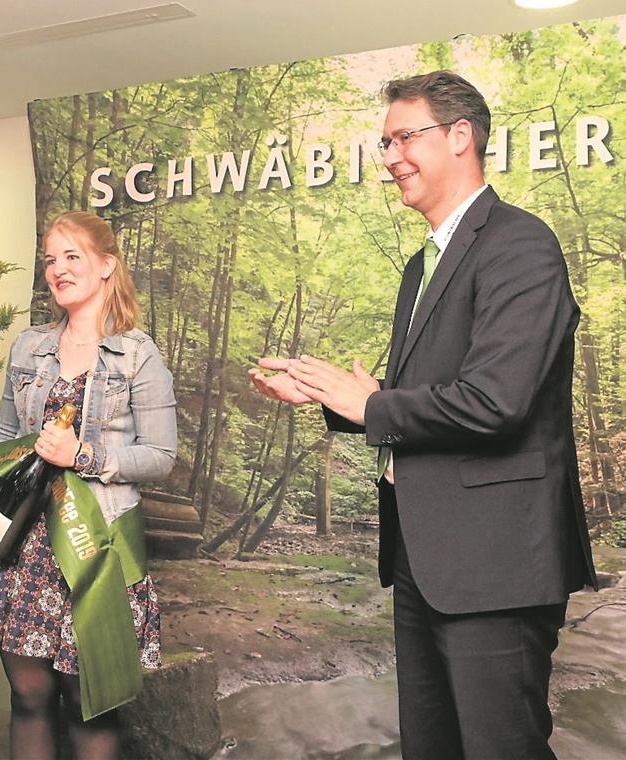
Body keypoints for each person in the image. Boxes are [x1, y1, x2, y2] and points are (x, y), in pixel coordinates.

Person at [250, 71, 597, 759]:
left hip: (494, 565)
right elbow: (430, 404)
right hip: (424, 559)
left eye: (405, 137)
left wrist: (371, 402)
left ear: (461, 136)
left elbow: (496, 402)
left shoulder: (522, 246)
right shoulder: (422, 264)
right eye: (384, 142)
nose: (389, 157)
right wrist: (336, 398)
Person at [0, 211, 177, 760]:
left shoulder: (138, 354)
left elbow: (161, 456)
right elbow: (6, 436)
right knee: (29, 695)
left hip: (94, 546)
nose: (57, 269)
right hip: (25, 548)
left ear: (107, 265)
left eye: (71, 256)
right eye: (50, 259)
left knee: (90, 702)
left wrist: (84, 455)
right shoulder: (28, 347)